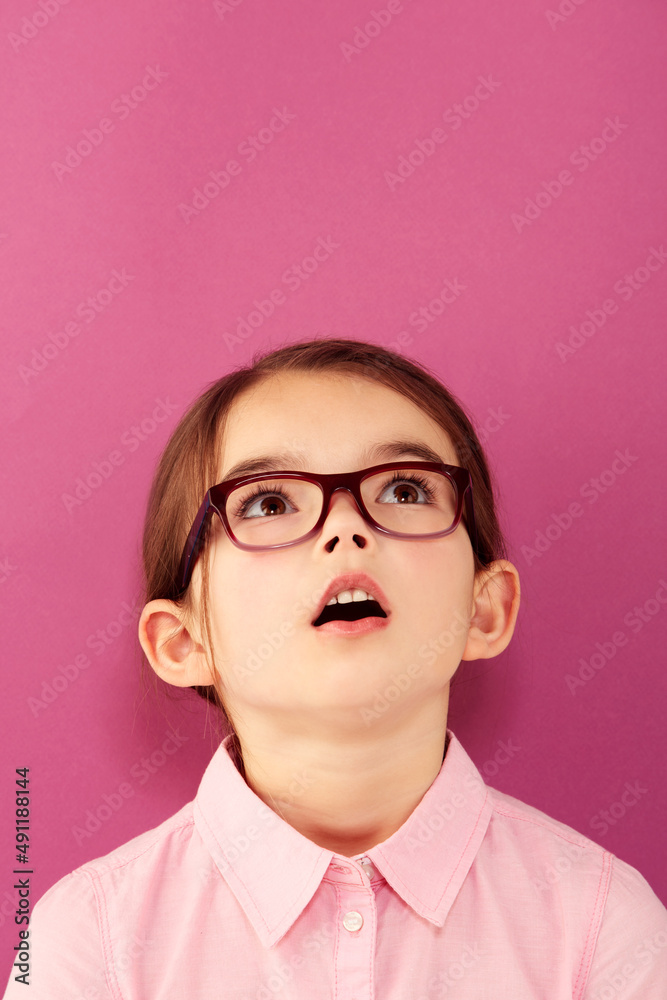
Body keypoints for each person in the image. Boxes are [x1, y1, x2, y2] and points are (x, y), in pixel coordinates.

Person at [4, 337, 666, 997]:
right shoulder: (91, 943)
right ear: (183, 642)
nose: (346, 528)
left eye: (404, 489)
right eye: (267, 503)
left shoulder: (601, 925)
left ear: (484, 609)